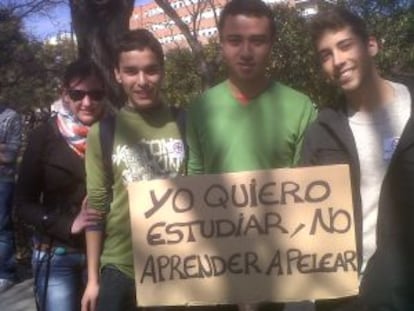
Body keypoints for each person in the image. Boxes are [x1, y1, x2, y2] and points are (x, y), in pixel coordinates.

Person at [186, 0, 316, 310]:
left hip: (278, 265)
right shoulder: (199, 108)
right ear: (220, 43)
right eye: (235, 40)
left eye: (257, 40)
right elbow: (194, 183)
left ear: (271, 44)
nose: (246, 51)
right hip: (217, 265)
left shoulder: (301, 107)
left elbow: (305, 192)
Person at [301, 7, 414, 311]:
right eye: (325, 55)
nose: (337, 61)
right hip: (343, 296)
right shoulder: (320, 133)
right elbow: (303, 219)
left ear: (372, 45)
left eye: (345, 45)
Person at [81, 29, 185, 311]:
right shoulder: (102, 132)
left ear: (162, 72)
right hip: (120, 269)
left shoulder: (186, 123)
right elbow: (97, 210)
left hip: (176, 267)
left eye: (151, 70)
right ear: (117, 74)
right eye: (131, 71)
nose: (142, 81)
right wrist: (92, 279)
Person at [15, 59, 105, 311]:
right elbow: (22, 205)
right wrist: (67, 224)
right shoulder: (43, 136)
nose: (87, 102)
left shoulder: (115, 132)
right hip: (57, 255)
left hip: (105, 255)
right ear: (64, 94)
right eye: (78, 94)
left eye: (96, 94)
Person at [0, 102, 21, 293]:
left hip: (2, 180)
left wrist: (4, 151)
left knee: (2, 225)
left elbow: (11, 154)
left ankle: (6, 273)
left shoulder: (10, 116)